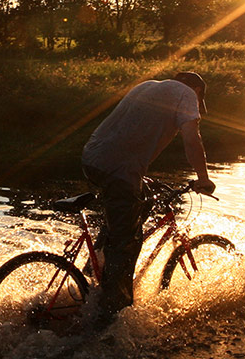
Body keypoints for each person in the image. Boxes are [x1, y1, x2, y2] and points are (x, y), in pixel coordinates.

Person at [81, 71, 216, 324]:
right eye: (199, 100)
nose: (196, 106)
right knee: (127, 242)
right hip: (118, 170)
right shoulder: (186, 93)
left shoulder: (147, 86)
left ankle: (93, 269)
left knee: (139, 204)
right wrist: (204, 178)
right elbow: (192, 139)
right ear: (196, 90)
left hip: (92, 159)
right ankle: (112, 315)